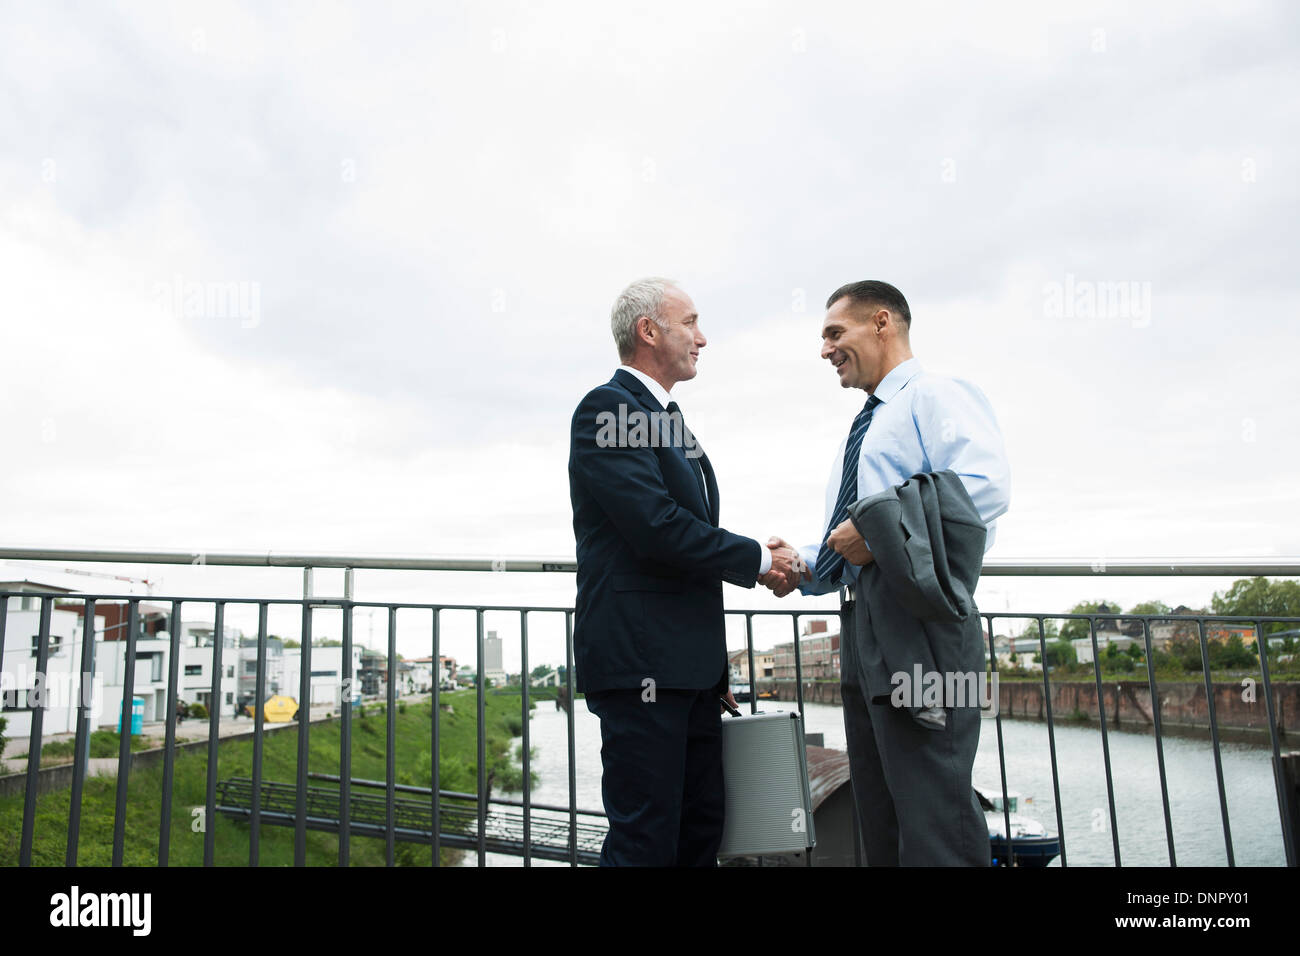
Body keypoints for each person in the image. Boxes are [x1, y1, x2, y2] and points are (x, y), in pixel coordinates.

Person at [770, 280, 1010, 865]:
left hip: (919, 626)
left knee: (934, 814)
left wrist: (877, 534)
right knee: (881, 811)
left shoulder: (936, 395)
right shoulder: (871, 422)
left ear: (882, 322)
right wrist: (799, 563)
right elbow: (856, 537)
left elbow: (985, 489)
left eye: (834, 333)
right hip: (866, 621)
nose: (825, 350)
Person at [568, 276, 803, 867]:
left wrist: (710, 667)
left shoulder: (666, 419)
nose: (704, 338)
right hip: (642, 665)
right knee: (645, 840)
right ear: (649, 331)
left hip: (688, 673)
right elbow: (656, 526)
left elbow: (683, 543)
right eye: (691, 322)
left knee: (699, 832)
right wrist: (757, 559)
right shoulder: (607, 409)